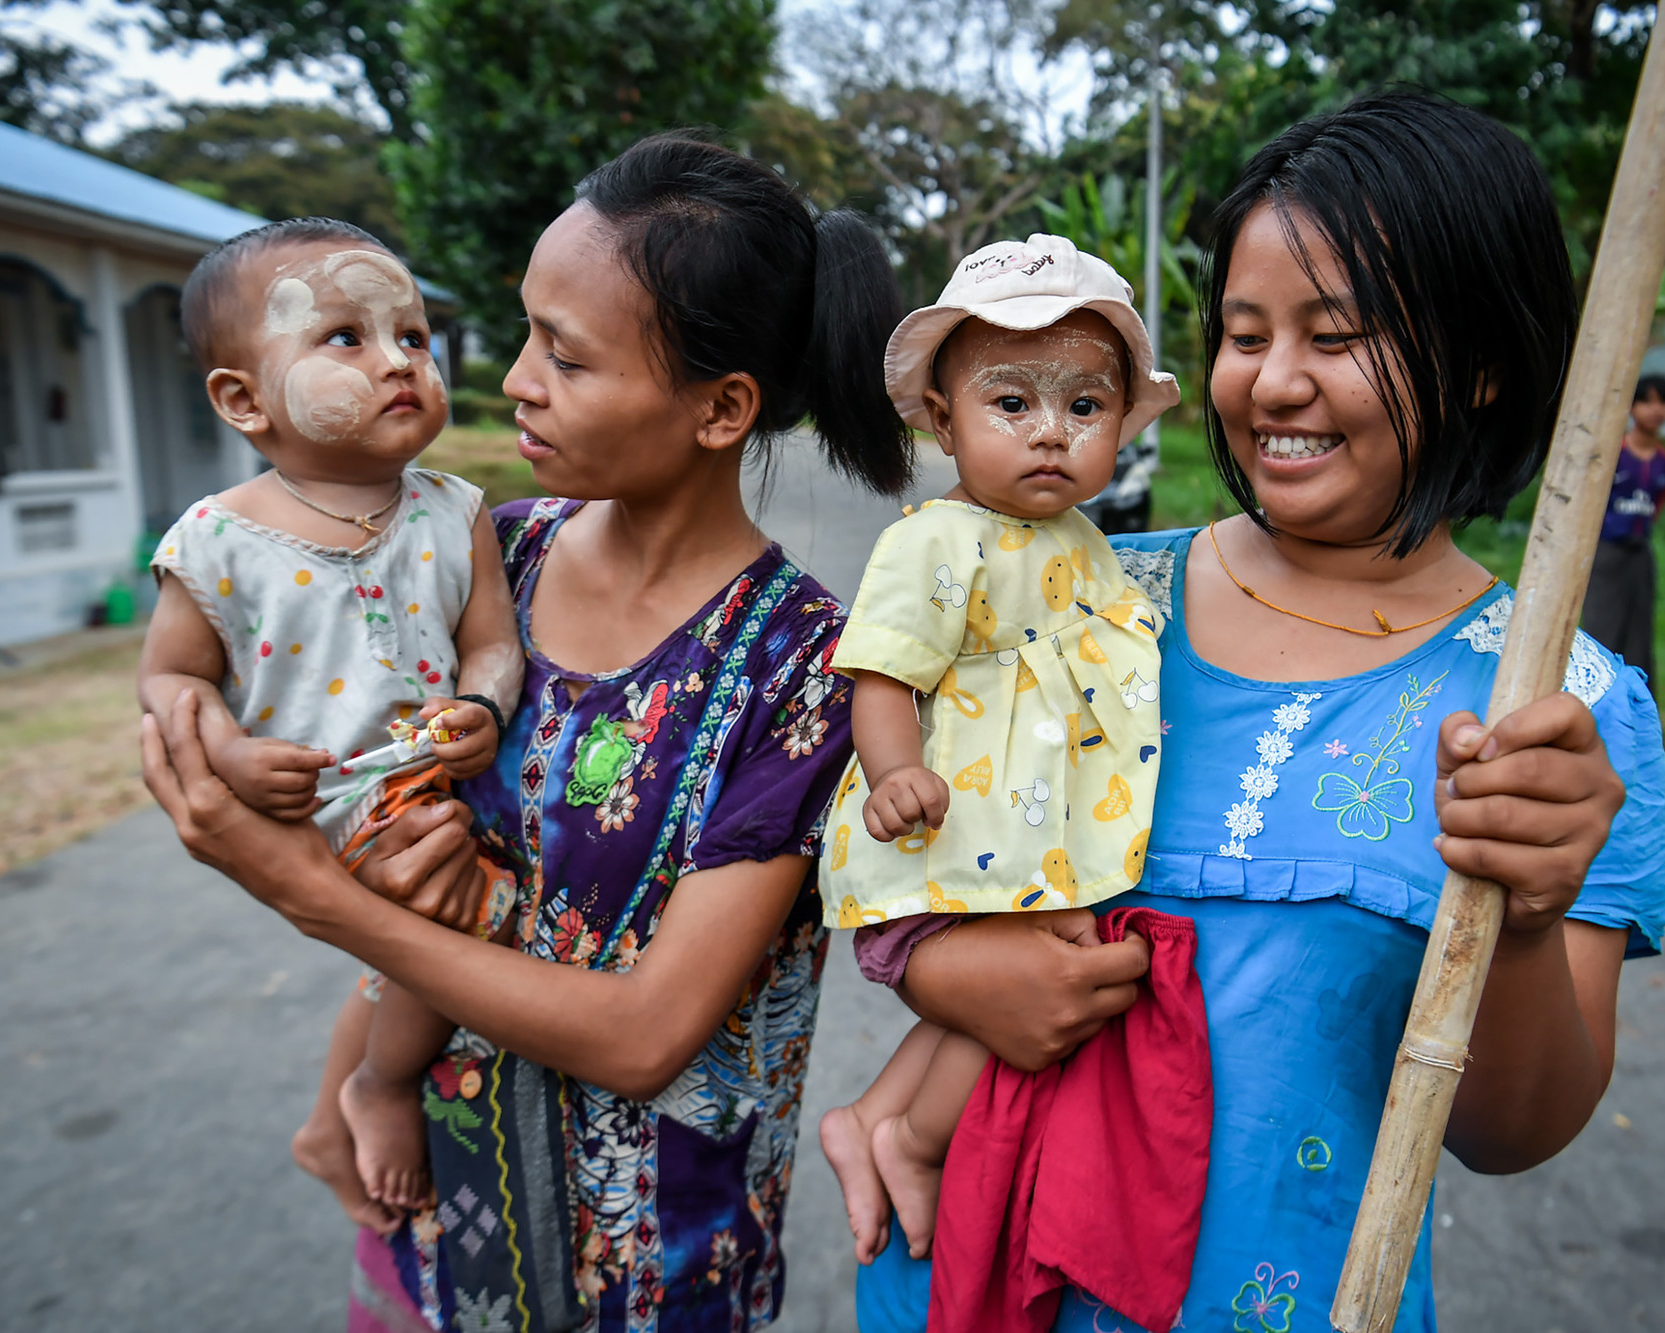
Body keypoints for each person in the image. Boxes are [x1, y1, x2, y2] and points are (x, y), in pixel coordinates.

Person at [854, 88, 1665, 1333]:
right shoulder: (1078, 596)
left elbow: (1512, 1132)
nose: (1272, 383)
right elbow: (887, 829)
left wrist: (1518, 921)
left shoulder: (1562, 712)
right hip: (962, 1274)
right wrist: (951, 982)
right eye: (1243, 334)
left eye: (1334, 335)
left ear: (1487, 361)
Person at [138, 134, 919, 1331]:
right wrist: (343, 1086)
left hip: (660, 1269)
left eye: (565, 354)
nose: (513, 379)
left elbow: (650, 1031)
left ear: (720, 409)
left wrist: (306, 891)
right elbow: (395, 844)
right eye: (523, 333)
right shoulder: (489, 553)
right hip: (442, 1196)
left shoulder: (806, 665)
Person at [135, 217, 524, 1229]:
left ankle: (326, 1117)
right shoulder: (219, 541)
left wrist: (483, 704)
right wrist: (227, 748)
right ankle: (379, 1088)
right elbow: (171, 678)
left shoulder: (453, 510)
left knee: (410, 931)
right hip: (318, 794)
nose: (398, 360)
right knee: (455, 920)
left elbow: (491, 642)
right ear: (242, 399)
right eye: (344, 337)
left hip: (434, 777)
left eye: (414, 335)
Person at [814, 235, 1178, 1264]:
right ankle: (914, 1139)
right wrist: (895, 774)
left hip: (1029, 835)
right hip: (952, 824)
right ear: (942, 420)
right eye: (1010, 403)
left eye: (1083, 406)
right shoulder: (933, 542)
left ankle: (874, 1113)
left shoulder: (1084, 544)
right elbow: (884, 671)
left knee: (1029, 973)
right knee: (1030, 979)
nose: (1050, 434)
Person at [1581, 372, 1665, 684]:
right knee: (1601, 628)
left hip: (1640, 554)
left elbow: (1656, 509)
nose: (1656, 409)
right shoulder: (1613, 455)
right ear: (1631, 407)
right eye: (1646, 401)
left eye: (1663, 402)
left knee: (1640, 633)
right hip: (1606, 552)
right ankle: (1590, 699)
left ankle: (1635, 703)